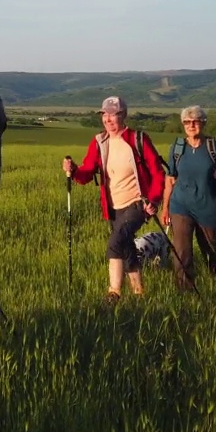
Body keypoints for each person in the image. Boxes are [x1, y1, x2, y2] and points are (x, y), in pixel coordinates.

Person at [62, 96, 166, 302]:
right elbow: (87, 173)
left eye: (113, 114)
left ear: (123, 115)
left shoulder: (138, 140)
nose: (108, 119)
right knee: (126, 248)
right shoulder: (100, 142)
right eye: (104, 114)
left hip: (137, 203)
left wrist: (153, 201)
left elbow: (158, 173)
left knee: (115, 242)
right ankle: (139, 293)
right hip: (113, 206)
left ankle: (114, 293)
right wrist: (73, 170)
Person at [160, 105, 216, 290]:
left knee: (211, 250)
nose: (191, 125)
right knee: (181, 252)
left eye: (196, 121)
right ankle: (185, 291)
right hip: (180, 206)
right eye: (187, 122)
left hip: (207, 205)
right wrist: (166, 207)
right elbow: (170, 179)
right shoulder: (177, 148)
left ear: (203, 123)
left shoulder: (215, 148)